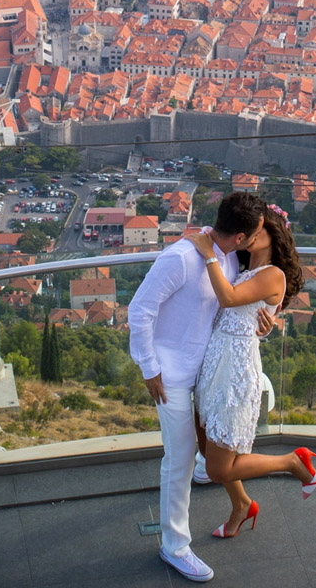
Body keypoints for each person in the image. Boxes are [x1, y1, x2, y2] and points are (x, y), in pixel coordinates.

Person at [128, 192, 275, 583]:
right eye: (259, 230)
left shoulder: (227, 258)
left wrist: (265, 322)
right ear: (243, 235)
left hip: (206, 372)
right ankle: (174, 547)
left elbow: (235, 306)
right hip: (171, 377)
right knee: (176, 461)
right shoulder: (180, 257)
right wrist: (149, 367)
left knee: (199, 449)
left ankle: (203, 471)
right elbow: (139, 311)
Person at [185, 205, 316, 540]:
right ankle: (242, 505)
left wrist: (207, 255)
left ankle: (293, 463)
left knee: (218, 467)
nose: (247, 234)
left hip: (234, 371)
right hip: (215, 363)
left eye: (256, 229)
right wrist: (265, 328)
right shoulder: (243, 266)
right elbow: (249, 318)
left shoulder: (274, 274)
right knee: (207, 448)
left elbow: (230, 299)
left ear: (272, 233)